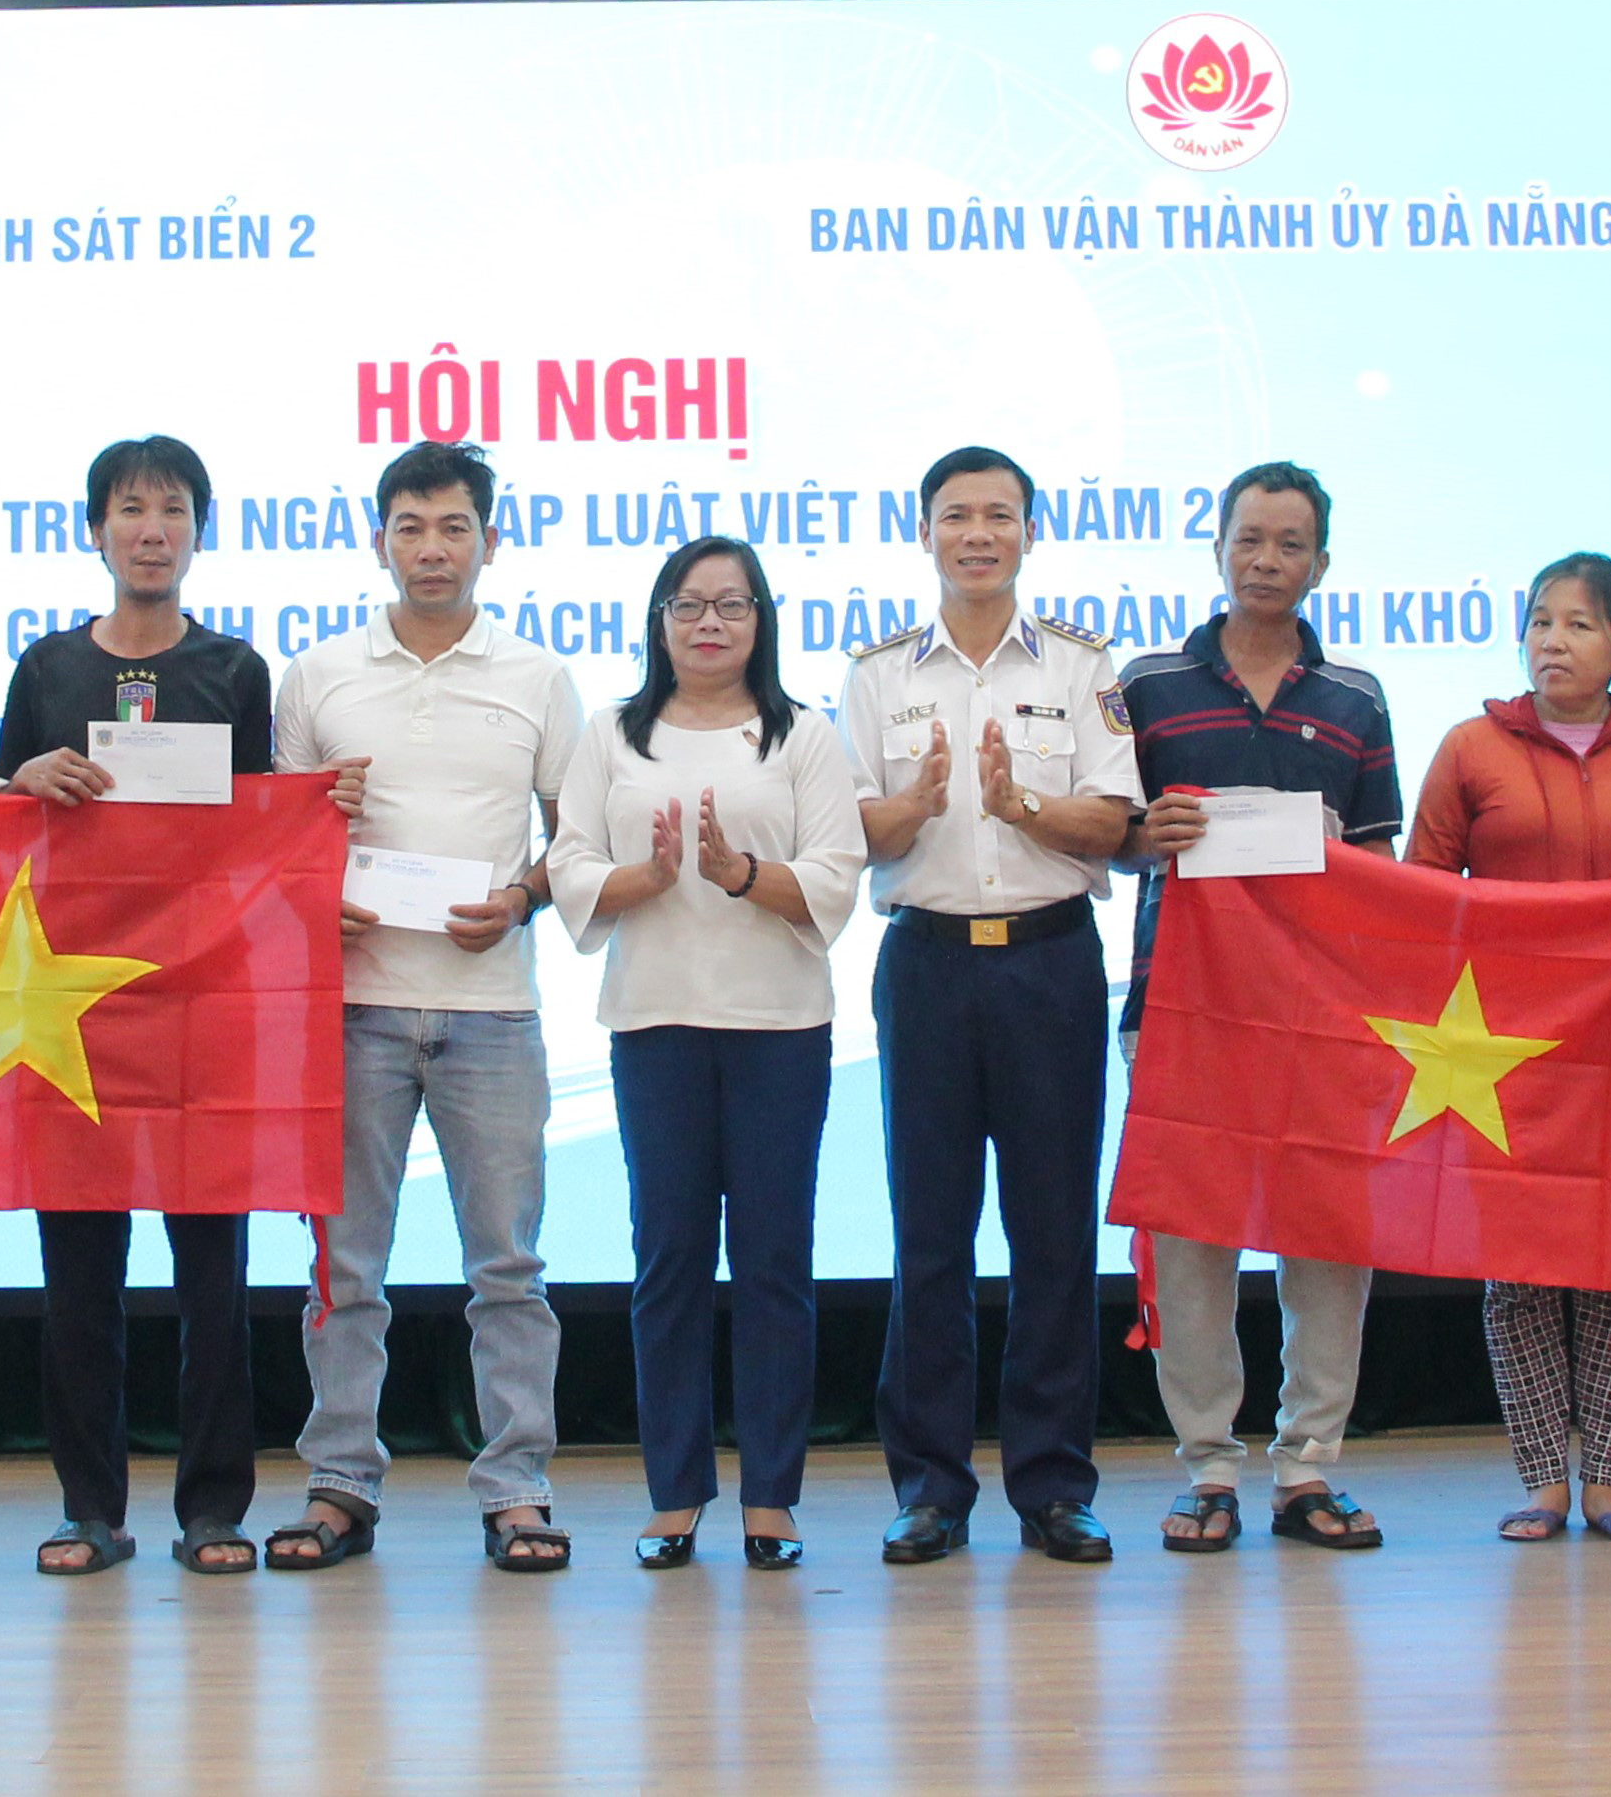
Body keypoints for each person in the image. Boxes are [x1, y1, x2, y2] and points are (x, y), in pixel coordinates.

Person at [0, 435, 340, 1578]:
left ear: (198, 533)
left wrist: (316, 811)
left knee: (212, 1280)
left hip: (202, 1005)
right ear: (94, 529)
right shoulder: (43, 667)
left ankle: (212, 1509)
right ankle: (88, 1507)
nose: (151, 528)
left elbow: (262, 839)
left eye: (173, 509)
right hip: (69, 1013)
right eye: (130, 508)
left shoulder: (236, 671)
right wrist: (18, 781)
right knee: (78, 1280)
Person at [271, 441, 585, 1576]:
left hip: (490, 1011)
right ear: (378, 540)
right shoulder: (317, 674)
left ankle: (515, 1486)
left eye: (453, 527)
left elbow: (576, 836)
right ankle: (339, 1480)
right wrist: (315, 891)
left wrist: (518, 898)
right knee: (343, 1268)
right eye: (409, 526)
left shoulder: (538, 678)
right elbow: (278, 844)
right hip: (351, 1010)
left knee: (506, 1267)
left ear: (488, 541)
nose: (431, 547)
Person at [840, 447, 1157, 1568]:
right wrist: (910, 806)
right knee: (928, 1236)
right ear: (922, 531)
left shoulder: (1080, 664)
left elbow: (1115, 822)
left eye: (998, 515)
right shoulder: (877, 672)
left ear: (1029, 532)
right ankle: (928, 1486)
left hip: (1048, 963)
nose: (977, 533)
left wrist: (1020, 803)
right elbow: (847, 837)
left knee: (1052, 1235)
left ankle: (1053, 1485)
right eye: (955, 515)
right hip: (923, 966)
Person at [550, 535, 867, 1571]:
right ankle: (675, 1490)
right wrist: (644, 879)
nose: (709, 624)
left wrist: (737, 873)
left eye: (731, 606)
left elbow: (832, 880)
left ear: (760, 621)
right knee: (669, 1260)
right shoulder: (611, 733)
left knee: (774, 1262)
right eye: (688, 605)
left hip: (779, 1029)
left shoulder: (803, 735)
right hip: (654, 1025)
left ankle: (771, 1495)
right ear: (657, 620)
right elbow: (570, 864)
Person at [1406, 551, 1611, 1547]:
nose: (1552, 639)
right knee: (1521, 1265)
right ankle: (1540, 1477)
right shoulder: (1468, 747)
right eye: (1539, 619)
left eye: (1578, 623)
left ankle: (1610, 1479)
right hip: (1500, 1049)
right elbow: (1417, 894)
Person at [1109, 461, 1381, 1555]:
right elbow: (1111, 832)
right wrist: (1146, 836)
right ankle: (1208, 1469)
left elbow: (1382, 865)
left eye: (1289, 543)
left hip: (1320, 1014)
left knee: (1325, 1243)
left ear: (1320, 561)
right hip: (1179, 1004)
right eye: (1249, 539)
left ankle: (1308, 1465)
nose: (1266, 560)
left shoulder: (1354, 697)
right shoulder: (1147, 684)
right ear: (1215, 546)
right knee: (1191, 1242)